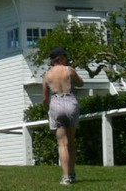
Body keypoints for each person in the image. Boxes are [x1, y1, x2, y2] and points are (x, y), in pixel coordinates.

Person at [42, 46, 84, 185]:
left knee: (62, 144)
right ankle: (72, 174)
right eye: (65, 57)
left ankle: (65, 177)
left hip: (56, 102)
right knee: (71, 142)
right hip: (70, 101)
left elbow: (45, 97)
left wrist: (47, 109)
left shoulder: (47, 75)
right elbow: (80, 83)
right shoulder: (68, 70)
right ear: (60, 58)